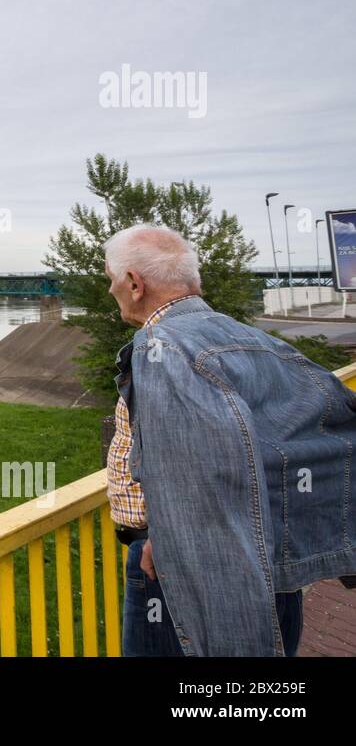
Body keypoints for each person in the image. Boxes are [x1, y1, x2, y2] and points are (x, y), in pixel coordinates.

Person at [104, 224, 356, 656]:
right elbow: (330, 428)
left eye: (110, 278)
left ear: (133, 283)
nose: (109, 289)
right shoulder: (255, 340)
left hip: (183, 563)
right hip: (270, 547)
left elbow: (196, 462)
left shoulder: (161, 346)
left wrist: (169, 540)